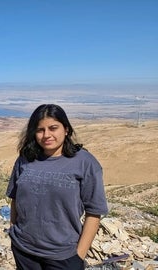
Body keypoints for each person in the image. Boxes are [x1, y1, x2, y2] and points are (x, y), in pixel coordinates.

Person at [6, 104, 108, 270]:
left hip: (64, 255)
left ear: (66, 129)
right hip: (24, 250)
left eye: (53, 128)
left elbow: (94, 212)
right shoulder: (25, 159)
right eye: (40, 130)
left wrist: (78, 256)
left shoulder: (85, 162)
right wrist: (13, 231)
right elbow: (15, 198)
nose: (46, 135)